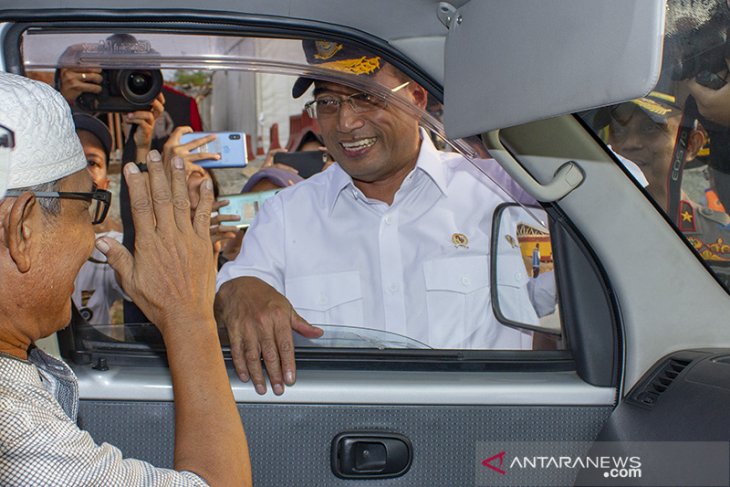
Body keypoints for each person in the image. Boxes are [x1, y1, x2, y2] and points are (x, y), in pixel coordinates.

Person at [215, 40, 535, 396]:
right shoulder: (284, 217)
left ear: (417, 97)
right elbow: (230, 301)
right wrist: (236, 293)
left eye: (366, 96)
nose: (346, 123)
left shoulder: (505, 190)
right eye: (327, 103)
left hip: (487, 437)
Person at [0, 73, 251, 486]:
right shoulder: (19, 433)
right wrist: (189, 317)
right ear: (23, 228)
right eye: (88, 207)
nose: (89, 240)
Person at [604, 91, 730, 282]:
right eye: (618, 130)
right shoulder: (594, 229)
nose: (629, 144)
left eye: (650, 128)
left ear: (691, 145)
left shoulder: (720, 236)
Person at [71, 113, 125, 325]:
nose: (80, 172)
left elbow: (139, 276)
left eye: (92, 162)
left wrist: (141, 147)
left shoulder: (105, 250)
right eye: (71, 157)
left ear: (105, 184)